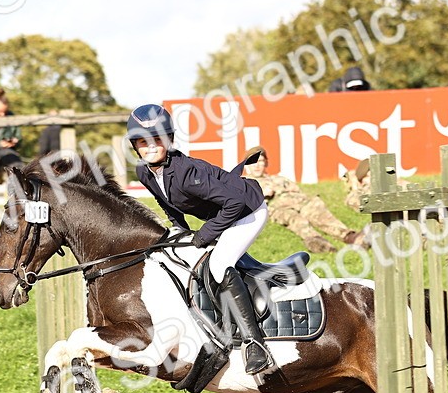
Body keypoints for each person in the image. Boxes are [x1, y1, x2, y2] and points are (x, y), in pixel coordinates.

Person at [127, 103, 274, 375]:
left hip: (247, 211)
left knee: (218, 265)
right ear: (135, 146)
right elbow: (166, 203)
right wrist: (177, 229)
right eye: (142, 141)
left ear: (169, 140)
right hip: (225, 213)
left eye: (157, 139)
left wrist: (205, 234)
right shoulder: (144, 172)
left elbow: (234, 203)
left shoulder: (186, 172)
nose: (150, 146)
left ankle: (255, 343)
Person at [342, 157, 448, 248]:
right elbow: (355, 203)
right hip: (393, 226)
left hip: (415, 219)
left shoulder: (396, 182)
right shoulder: (362, 192)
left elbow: (418, 194)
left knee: (433, 209)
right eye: (370, 174)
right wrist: (356, 186)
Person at [241, 147, 353, 253]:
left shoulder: (279, 179)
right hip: (276, 207)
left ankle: (348, 236)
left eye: (260, 161)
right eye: (253, 162)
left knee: (319, 212)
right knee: (296, 219)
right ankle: (317, 242)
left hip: (301, 202)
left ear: (265, 163)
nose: (257, 165)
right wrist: (262, 194)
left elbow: (297, 191)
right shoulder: (244, 183)